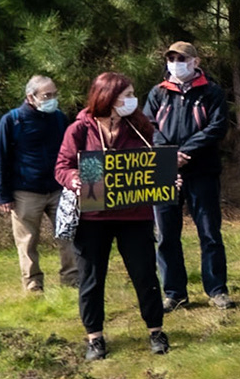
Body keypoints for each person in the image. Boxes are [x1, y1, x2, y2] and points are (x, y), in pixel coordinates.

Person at [55, 72, 168, 360]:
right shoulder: (79, 129)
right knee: (91, 279)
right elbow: (62, 166)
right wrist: (74, 179)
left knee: (145, 275)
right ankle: (95, 338)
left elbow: (154, 164)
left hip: (135, 215)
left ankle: (156, 331)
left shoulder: (140, 125)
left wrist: (167, 179)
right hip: (93, 217)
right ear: (107, 98)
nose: (133, 100)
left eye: (132, 94)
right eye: (127, 95)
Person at [142, 41, 231, 311]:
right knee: (167, 234)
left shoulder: (212, 92)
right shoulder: (158, 93)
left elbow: (217, 127)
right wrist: (169, 155)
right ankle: (174, 292)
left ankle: (217, 290)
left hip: (202, 169)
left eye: (182, 58)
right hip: (163, 169)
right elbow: (147, 126)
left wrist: (186, 151)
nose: (176, 63)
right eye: (172, 58)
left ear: (195, 61)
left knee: (209, 232)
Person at [0, 75, 80, 295]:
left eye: (54, 94)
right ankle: (33, 286)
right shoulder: (12, 120)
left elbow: (71, 152)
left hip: (59, 188)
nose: (52, 99)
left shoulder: (59, 118)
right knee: (27, 242)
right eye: (46, 95)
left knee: (69, 235)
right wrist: (3, 196)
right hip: (25, 192)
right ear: (30, 97)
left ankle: (72, 280)